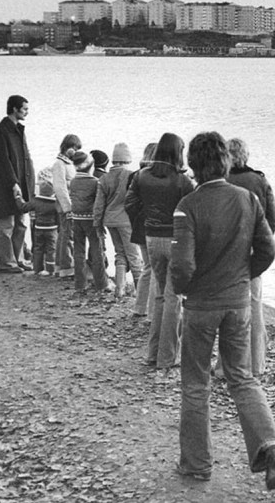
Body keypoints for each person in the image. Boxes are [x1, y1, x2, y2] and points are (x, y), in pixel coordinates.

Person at [169, 131, 275, 489]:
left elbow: (183, 267)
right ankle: (271, 447)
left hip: (202, 306)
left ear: (193, 165)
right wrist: (241, 277)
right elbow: (268, 249)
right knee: (242, 378)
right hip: (237, 304)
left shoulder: (188, 206)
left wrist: (184, 289)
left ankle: (196, 465)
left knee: (195, 384)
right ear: (226, 161)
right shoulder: (248, 199)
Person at [125, 133, 194, 373]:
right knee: (174, 297)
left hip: (152, 236)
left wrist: (145, 222)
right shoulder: (182, 181)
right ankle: (167, 357)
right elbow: (192, 211)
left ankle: (151, 354)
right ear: (177, 152)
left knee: (160, 296)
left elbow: (130, 203)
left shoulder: (142, 176)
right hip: (174, 238)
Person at [214, 137, 275, 378]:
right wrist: (261, 243)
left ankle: (223, 366)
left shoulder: (219, 182)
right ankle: (256, 364)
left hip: (222, 253)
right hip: (252, 252)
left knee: (225, 307)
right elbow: (273, 218)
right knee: (254, 305)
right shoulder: (259, 181)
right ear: (246, 156)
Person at [0, 95, 35, 274]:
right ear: (15, 109)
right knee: (6, 224)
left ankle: (19, 259)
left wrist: (27, 185)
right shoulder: (0, 131)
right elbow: (2, 160)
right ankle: (6, 263)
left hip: (21, 184)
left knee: (20, 223)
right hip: (6, 186)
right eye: (24, 109)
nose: (27, 112)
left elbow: (24, 158)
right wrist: (13, 183)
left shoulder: (18, 129)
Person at [94, 143, 142, 299]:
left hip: (110, 221)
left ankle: (119, 289)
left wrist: (98, 224)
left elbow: (99, 205)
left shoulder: (103, 178)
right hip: (126, 221)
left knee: (120, 253)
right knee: (134, 256)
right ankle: (140, 291)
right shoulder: (132, 175)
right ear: (127, 159)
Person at [69, 151, 109, 293]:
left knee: (78, 251)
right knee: (96, 250)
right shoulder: (95, 183)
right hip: (91, 220)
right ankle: (101, 284)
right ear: (90, 167)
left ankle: (80, 284)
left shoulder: (73, 182)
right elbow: (98, 204)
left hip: (76, 219)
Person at [128, 143, 157, 318]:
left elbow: (129, 203)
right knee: (155, 269)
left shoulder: (134, 176)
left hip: (139, 226)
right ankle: (152, 311)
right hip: (154, 227)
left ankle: (139, 307)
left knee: (147, 267)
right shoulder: (157, 177)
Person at [51, 134, 81, 278]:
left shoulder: (68, 163)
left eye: (76, 149)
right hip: (65, 205)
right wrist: (68, 207)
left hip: (69, 204)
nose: (74, 151)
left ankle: (60, 266)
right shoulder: (59, 164)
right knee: (67, 236)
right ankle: (66, 267)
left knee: (64, 235)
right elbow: (60, 187)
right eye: (72, 148)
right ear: (65, 146)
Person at [16, 179, 58, 275]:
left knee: (38, 248)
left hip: (38, 228)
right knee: (51, 249)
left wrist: (18, 198)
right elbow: (59, 216)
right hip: (52, 230)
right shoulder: (55, 204)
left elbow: (23, 207)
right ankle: (50, 269)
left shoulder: (36, 201)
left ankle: (37, 268)